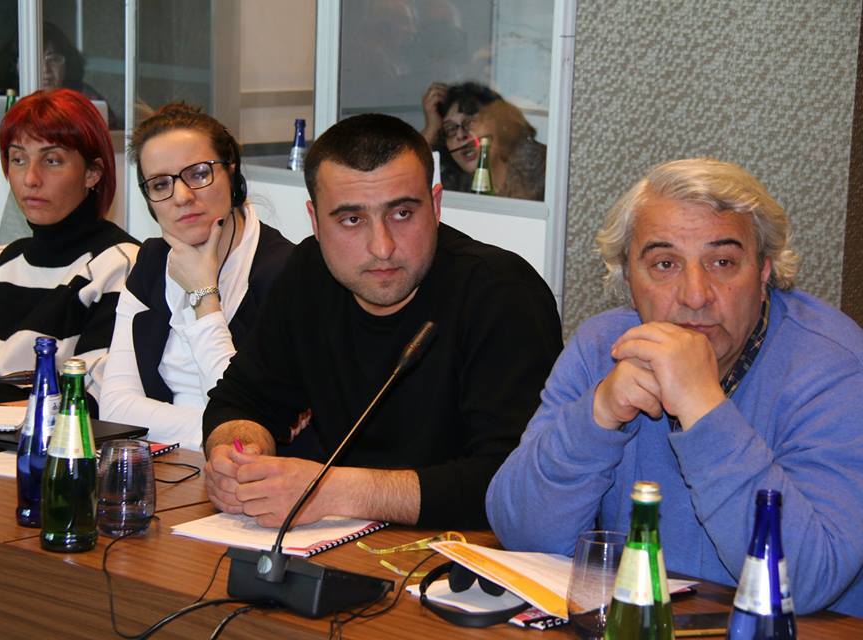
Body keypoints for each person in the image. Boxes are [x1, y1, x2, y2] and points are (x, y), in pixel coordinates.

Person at [486, 158, 863, 616]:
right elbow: (520, 533)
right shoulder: (603, 347)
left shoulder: (835, 367)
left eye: (722, 262)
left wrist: (702, 408)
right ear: (628, 278)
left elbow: (805, 581)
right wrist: (597, 417)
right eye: (665, 264)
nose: (695, 295)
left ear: (764, 272)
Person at [201, 113, 563, 530]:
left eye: (402, 213)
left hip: (465, 549)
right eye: (352, 220)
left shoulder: (503, 293)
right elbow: (242, 400)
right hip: (346, 541)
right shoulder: (308, 273)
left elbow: (517, 483)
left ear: (436, 206)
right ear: (315, 222)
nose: (382, 247)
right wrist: (237, 457)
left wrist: (331, 491)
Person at [0, 89, 139, 409]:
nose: (31, 178)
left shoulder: (119, 265)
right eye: (18, 159)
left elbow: (85, 399)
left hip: (42, 437)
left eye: (52, 160)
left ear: (92, 173)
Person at [99, 103, 293, 450]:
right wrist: (219, 432)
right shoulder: (152, 261)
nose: (182, 197)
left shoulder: (285, 273)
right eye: (161, 184)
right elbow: (114, 407)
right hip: (170, 465)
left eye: (199, 174)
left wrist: (205, 296)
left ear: (231, 172)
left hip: (244, 475)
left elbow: (249, 416)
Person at [421, 81, 545, 201]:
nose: (460, 135)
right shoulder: (453, 183)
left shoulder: (540, 167)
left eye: (470, 122)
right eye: (450, 129)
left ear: (498, 122)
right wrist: (431, 129)